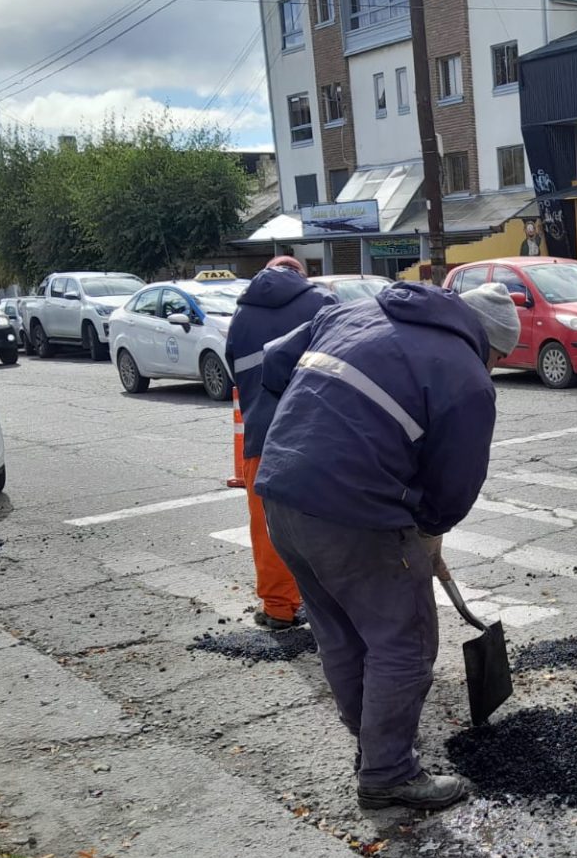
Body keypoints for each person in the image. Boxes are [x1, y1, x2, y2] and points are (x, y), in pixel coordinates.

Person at [255, 282, 521, 811]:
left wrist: (317, 429)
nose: (493, 368)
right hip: (356, 514)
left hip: (281, 494)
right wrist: (428, 530)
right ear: (487, 345)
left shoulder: (356, 313)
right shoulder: (466, 378)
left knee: (342, 634)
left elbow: (274, 362)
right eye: (498, 359)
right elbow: (454, 485)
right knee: (405, 641)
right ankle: (388, 772)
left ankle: (375, 746)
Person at [223, 255, 334, 631]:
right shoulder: (321, 301)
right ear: (300, 275)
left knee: (269, 526)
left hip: (262, 434)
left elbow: (234, 372)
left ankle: (279, 608)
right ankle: (336, 605)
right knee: (329, 520)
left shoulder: (241, 315)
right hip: (316, 432)